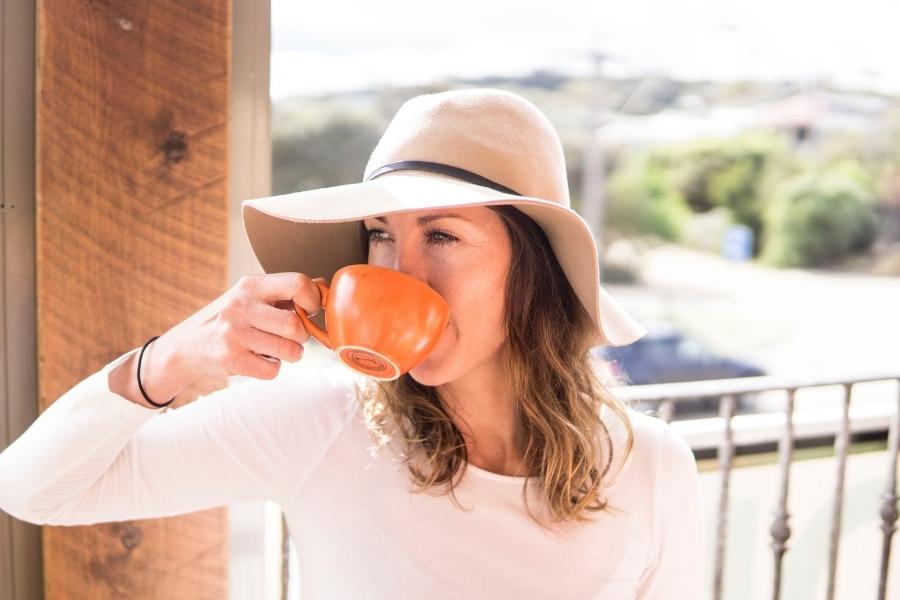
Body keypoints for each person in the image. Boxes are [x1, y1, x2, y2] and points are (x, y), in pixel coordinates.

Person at [0, 88, 706, 599]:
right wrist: (175, 356)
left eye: (442, 235)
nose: (399, 272)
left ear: (535, 271)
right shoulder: (319, 421)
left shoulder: (650, 466)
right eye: (380, 236)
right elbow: (31, 491)